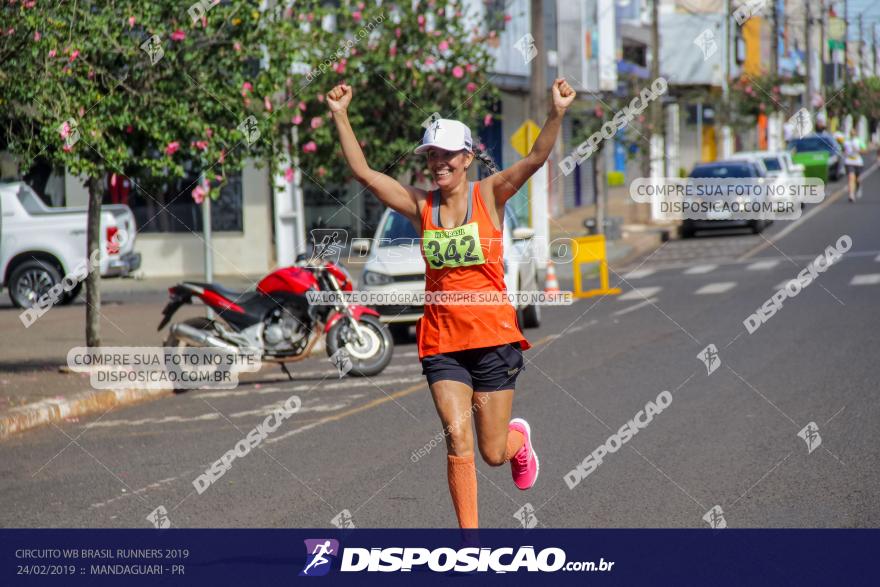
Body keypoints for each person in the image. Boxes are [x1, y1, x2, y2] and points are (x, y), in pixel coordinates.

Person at [328, 78, 575, 528]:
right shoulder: (421, 207)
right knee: (456, 438)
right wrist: (340, 115)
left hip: (493, 337)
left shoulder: (491, 193)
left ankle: (518, 443)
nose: (437, 163)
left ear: (466, 158)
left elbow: (537, 157)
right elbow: (365, 174)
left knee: (492, 452)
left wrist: (556, 111)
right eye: (431, 156)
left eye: (446, 155)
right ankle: (470, 546)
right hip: (441, 341)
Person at [843, 127, 865, 202]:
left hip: (858, 162)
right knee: (851, 177)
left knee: (857, 179)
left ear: (855, 133)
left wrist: (859, 150)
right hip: (849, 162)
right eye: (851, 132)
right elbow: (843, 150)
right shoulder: (846, 141)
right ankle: (851, 195)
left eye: (853, 132)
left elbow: (865, 150)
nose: (852, 133)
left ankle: (858, 186)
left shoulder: (859, 141)